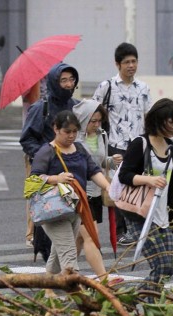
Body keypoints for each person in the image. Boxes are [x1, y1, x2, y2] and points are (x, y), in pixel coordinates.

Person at [118, 98, 173, 290]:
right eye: (171, 122)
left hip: (163, 214)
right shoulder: (140, 143)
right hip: (140, 214)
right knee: (161, 265)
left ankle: (145, 303)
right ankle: (143, 301)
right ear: (158, 120)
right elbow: (124, 175)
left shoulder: (170, 146)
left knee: (168, 267)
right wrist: (149, 180)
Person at [30, 111, 110, 287]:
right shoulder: (47, 151)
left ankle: (48, 289)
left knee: (57, 254)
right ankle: (77, 291)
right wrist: (54, 179)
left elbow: (93, 171)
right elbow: (33, 180)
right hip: (53, 210)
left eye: (74, 131)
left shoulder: (80, 149)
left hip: (75, 208)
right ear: (56, 129)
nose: (72, 135)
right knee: (68, 252)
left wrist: (108, 187)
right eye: (67, 131)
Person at [93, 42, 152, 247]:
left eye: (134, 61)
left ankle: (136, 229)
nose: (131, 65)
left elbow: (148, 115)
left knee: (137, 187)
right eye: (126, 62)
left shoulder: (144, 88)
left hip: (138, 144)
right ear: (117, 64)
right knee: (118, 188)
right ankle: (121, 231)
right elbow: (94, 113)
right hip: (115, 144)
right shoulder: (106, 86)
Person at [20, 63, 80, 249]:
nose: (69, 84)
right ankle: (44, 248)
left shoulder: (77, 106)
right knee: (48, 210)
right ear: (54, 82)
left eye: (71, 79)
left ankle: (61, 256)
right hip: (48, 171)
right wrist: (46, 156)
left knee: (71, 211)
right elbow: (27, 139)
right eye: (63, 80)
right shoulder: (41, 107)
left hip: (70, 167)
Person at [72, 99, 109, 279]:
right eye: (92, 121)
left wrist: (111, 162)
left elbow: (100, 163)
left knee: (78, 240)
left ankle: (63, 274)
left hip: (95, 193)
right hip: (79, 193)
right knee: (91, 236)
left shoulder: (101, 135)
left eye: (99, 121)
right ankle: (104, 278)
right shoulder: (73, 139)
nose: (96, 125)